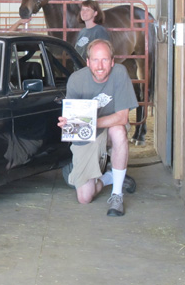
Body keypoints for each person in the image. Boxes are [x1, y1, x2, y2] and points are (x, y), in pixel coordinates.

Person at [58, 39, 138, 217]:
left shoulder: (119, 73)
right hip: (87, 135)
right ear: (87, 62)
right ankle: (111, 176)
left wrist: (87, 122)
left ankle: (117, 195)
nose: (100, 66)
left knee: (119, 131)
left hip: (109, 129)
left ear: (112, 61)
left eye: (104, 60)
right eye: (95, 60)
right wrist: (68, 123)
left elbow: (122, 117)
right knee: (84, 198)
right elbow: (73, 121)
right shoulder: (76, 80)